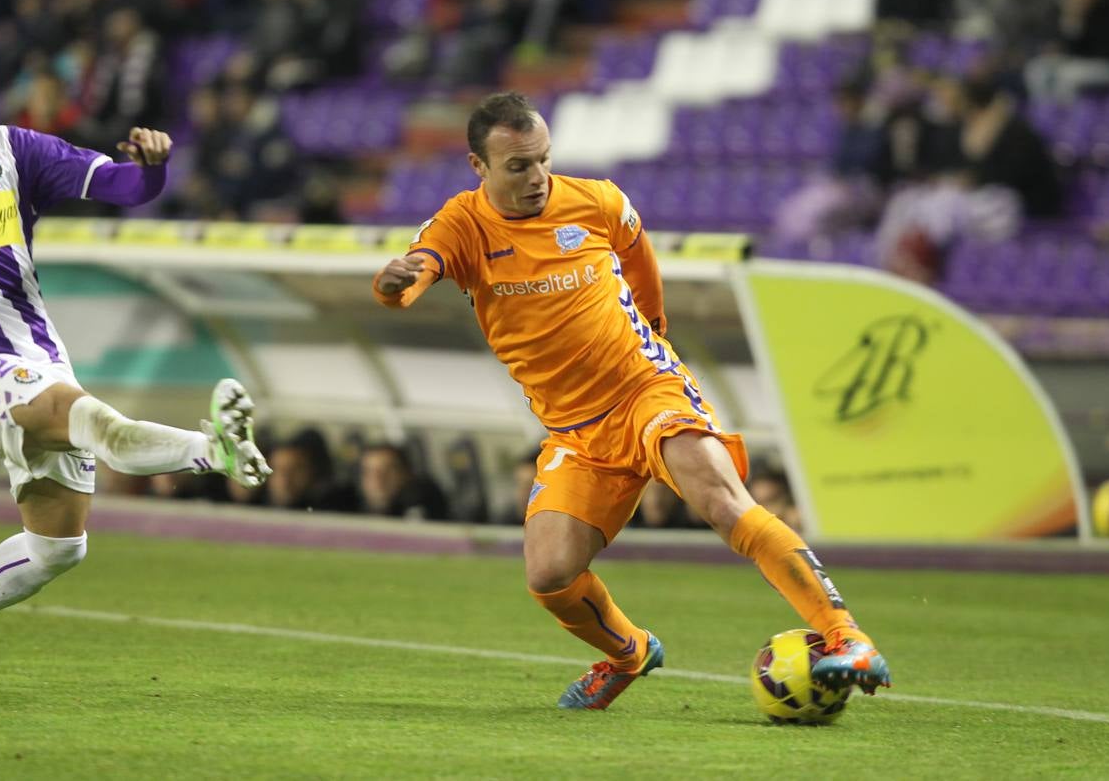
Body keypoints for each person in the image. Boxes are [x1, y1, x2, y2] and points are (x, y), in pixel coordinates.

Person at [372, 92, 891, 710]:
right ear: (478, 166)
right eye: (518, 166)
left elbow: (639, 257)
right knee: (548, 576)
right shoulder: (461, 225)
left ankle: (847, 636)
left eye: (542, 160)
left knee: (722, 502)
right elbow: (413, 273)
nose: (537, 177)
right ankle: (629, 652)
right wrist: (393, 282)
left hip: (647, 389)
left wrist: (653, 331)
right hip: (575, 431)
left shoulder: (597, 201)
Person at [0, 18, 272, 702]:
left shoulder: (9, 150)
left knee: (58, 548)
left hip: (39, 359)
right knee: (91, 422)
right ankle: (215, 451)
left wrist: (152, 165)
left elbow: (124, 189)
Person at [357, 442, 450, 521]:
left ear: (406, 475)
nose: (377, 479)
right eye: (368, 472)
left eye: (387, 471)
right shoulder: (350, 509)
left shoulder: (423, 509)